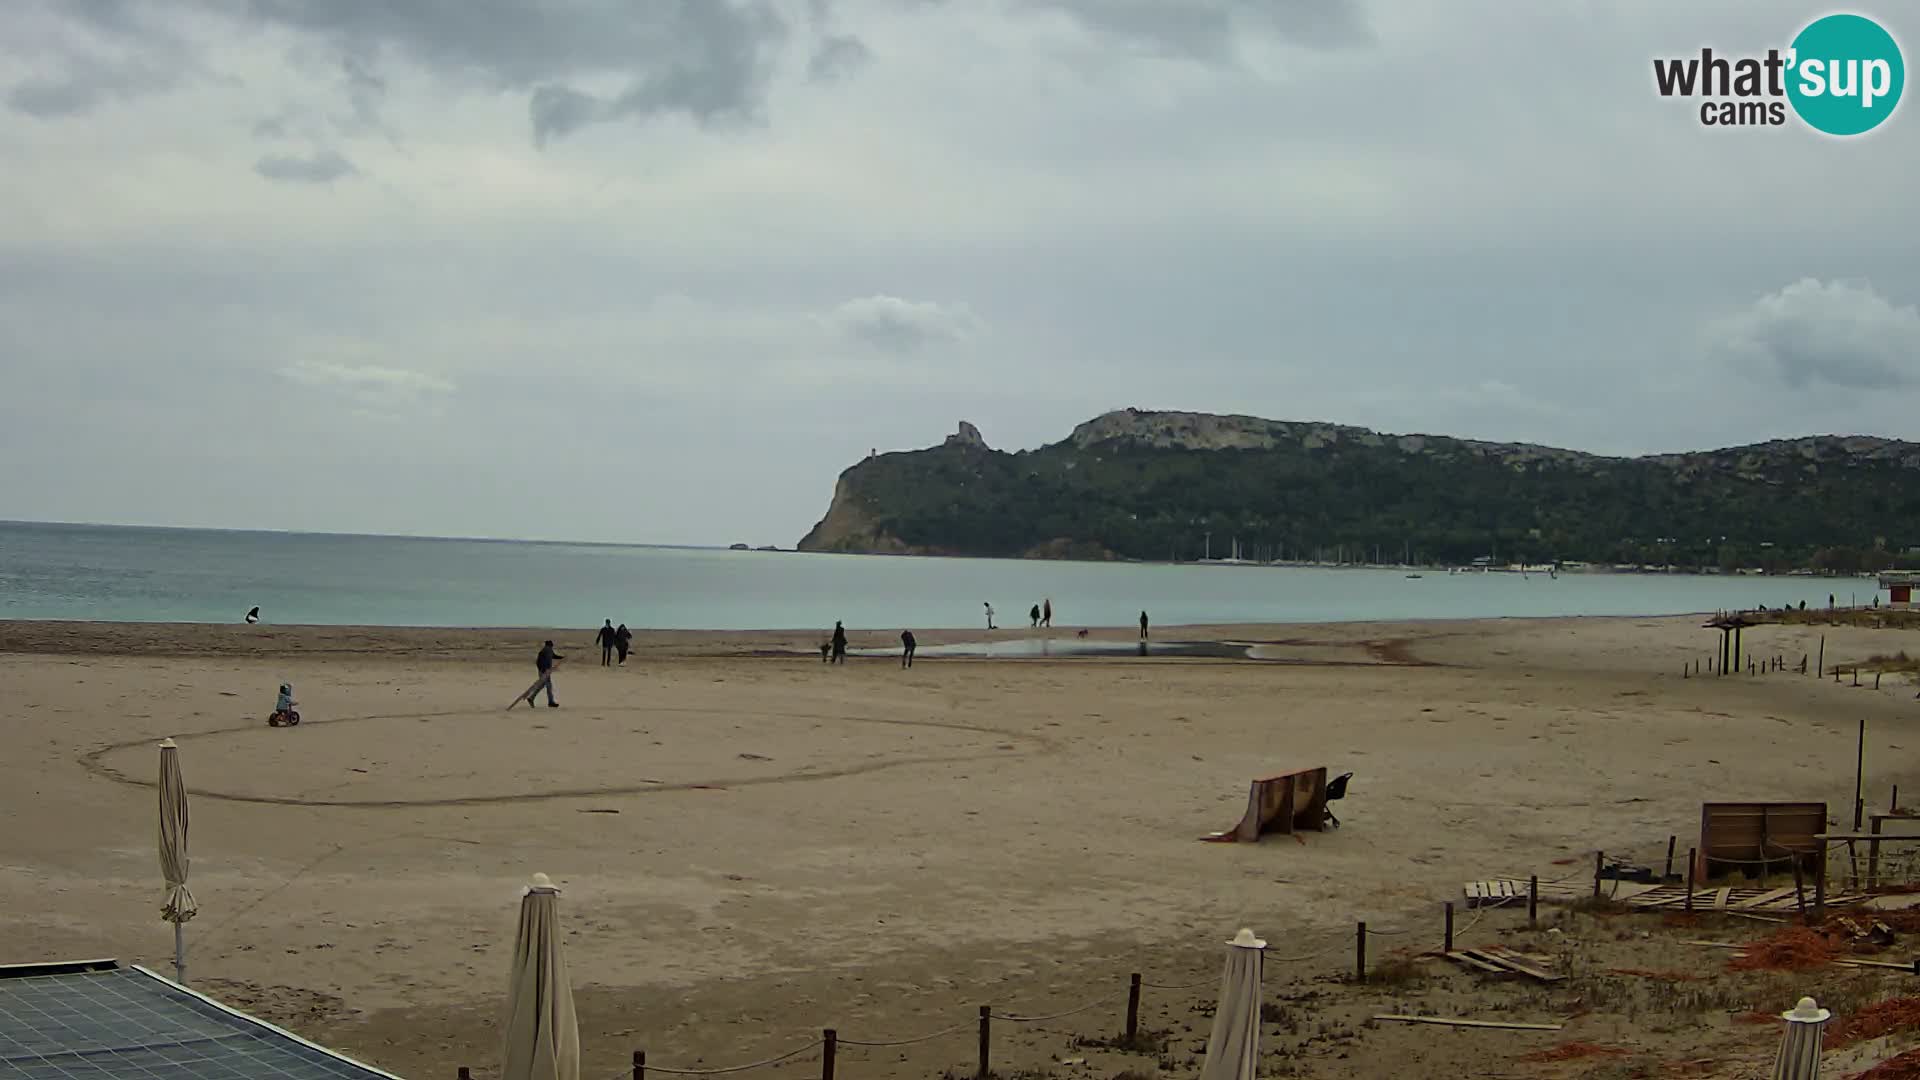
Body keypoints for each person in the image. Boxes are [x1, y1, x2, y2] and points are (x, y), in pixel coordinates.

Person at [526, 640, 562, 708]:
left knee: (542, 686)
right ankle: (550, 702)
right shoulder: (543, 652)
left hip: (547, 671)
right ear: (548, 645)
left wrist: (561, 657)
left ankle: (531, 698)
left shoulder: (549, 651)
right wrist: (542, 670)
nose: (551, 647)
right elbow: (538, 662)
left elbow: (553, 656)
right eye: (550, 646)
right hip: (543, 672)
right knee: (549, 686)